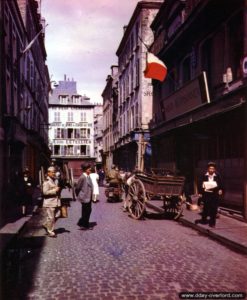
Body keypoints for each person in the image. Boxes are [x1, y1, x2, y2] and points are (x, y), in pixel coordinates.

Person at [195, 162, 223, 228]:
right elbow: (199, 184)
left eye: (213, 169)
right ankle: (204, 219)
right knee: (206, 207)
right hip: (206, 194)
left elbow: (221, 183)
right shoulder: (204, 175)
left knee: (214, 208)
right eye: (210, 168)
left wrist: (220, 189)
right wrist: (200, 193)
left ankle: (212, 223)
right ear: (208, 169)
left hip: (214, 194)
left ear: (214, 169)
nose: (211, 170)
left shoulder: (217, 175)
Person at [42, 166, 61, 237]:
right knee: (51, 217)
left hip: (56, 201)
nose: (54, 173)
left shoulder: (55, 180)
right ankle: (50, 231)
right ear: (48, 173)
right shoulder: (46, 181)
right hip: (49, 202)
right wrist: (54, 190)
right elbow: (45, 192)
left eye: (54, 172)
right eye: (52, 172)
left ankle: (46, 225)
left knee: (57, 215)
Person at [75, 164, 93, 230]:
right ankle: (84, 225)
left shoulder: (88, 176)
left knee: (88, 210)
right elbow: (77, 187)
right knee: (86, 211)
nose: (90, 169)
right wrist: (79, 195)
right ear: (85, 170)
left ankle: (83, 223)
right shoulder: (82, 177)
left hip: (88, 196)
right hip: (84, 197)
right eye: (89, 169)